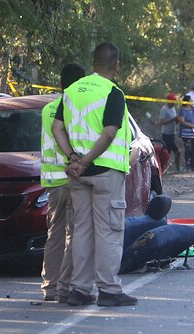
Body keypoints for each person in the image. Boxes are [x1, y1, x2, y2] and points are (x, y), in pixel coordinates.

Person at [50, 42, 137, 307]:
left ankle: (80, 289)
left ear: (93, 62)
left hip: (78, 175)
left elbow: (57, 127)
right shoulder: (113, 92)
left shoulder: (73, 90)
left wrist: (72, 158)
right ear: (116, 64)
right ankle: (109, 289)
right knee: (109, 231)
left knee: (82, 232)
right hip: (104, 173)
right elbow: (109, 133)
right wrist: (86, 161)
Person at [40, 63, 86, 302]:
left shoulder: (48, 109)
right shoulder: (77, 109)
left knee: (54, 234)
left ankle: (50, 286)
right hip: (74, 178)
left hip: (52, 182)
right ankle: (66, 288)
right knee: (75, 235)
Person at [177, 95, 194, 171]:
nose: (192, 102)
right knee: (188, 150)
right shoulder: (182, 110)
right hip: (187, 134)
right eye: (191, 100)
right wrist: (193, 126)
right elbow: (182, 121)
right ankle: (188, 166)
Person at [158, 92, 180, 173]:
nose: (174, 103)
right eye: (172, 101)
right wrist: (172, 119)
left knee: (167, 153)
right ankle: (176, 169)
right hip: (166, 134)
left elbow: (174, 120)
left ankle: (164, 169)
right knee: (177, 151)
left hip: (172, 133)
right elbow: (161, 121)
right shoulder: (164, 109)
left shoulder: (173, 109)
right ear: (168, 101)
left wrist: (177, 120)